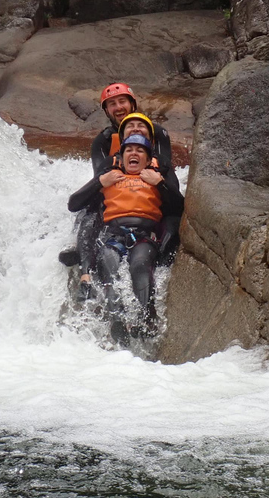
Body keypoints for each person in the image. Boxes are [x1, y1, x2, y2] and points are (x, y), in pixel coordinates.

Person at [59, 83, 179, 300]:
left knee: (173, 213)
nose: (118, 107)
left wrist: (148, 174)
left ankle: (163, 254)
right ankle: (79, 250)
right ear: (106, 111)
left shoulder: (156, 132)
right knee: (91, 205)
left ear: (132, 103)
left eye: (122, 101)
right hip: (115, 185)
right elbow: (100, 179)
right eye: (112, 104)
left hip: (149, 184)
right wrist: (114, 175)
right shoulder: (104, 140)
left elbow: (165, 166)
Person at [67, 134, 184, 346]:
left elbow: (180, 208)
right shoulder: (111, 178)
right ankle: (117, 318)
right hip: (115, 235)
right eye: (129, 150)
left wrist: (161, 183)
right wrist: (100, 181)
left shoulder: (155, 180)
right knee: (106, 260)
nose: (134, 153)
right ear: (121, 158)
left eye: (140, 151)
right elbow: (73, 204)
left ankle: (147, 318)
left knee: (139, 265)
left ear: (148, 161)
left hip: (144, 236)